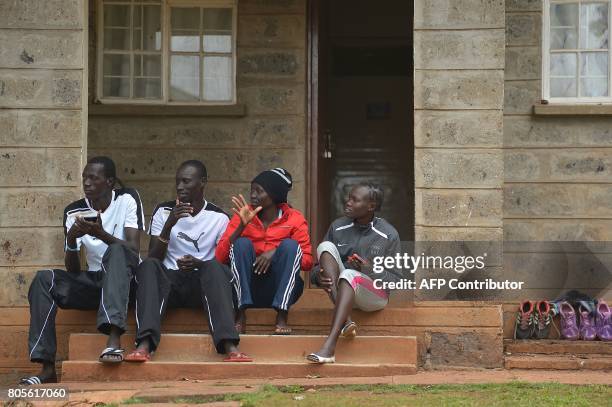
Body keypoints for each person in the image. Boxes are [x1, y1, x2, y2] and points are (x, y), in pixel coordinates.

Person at [21, 157, 145, 385]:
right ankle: (47, 368)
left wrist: (100, 234)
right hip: (96, 282)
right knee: (43, 279)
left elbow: (133, 250)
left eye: (93, 178)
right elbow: (74, 270)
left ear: (109, 182)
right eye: (84, 178)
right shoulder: (73, 212)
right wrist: (70, 240)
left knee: (117, 252)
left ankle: (114, 339)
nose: (86, 183)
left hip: (127, 282)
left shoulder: (128, 199)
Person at [125, 160, 251, 362]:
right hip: (169, 284)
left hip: (202, 285)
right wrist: (169, 224)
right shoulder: (164, 211)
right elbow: (154, 257)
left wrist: (198, 264)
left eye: (186, 181)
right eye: (177, 182)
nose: (180, 187)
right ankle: (144, 344)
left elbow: (223, 260)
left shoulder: (218, 217)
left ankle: (230, 345)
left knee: (214, 268)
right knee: (148, 266)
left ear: (202, 182)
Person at [306, 183, 401, 364]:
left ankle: (329, 346)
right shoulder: (338, 227)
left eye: (354, 200)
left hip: (373, 297)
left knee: (349, 274)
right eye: (348, 198)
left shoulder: (388, 234)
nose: (347, 202)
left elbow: (395, 281)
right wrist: (318, 276)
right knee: (325, 247)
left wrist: (369, 270)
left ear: (371, 206)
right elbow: (317, 269)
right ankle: (346, 320)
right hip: (342, 294)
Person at [215, 168, 313, 335]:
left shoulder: (294, 218)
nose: (253, 195)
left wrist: (275, 252)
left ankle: (282, 316)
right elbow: (219, 258)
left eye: (259, 191)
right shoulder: (242, 215)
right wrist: (241, 227)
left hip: (279, 288)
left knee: (290, 246)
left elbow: (308, 262)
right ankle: (240, 314)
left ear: (274, 195)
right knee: (241, 244)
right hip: (247, 287)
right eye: (252, 190)